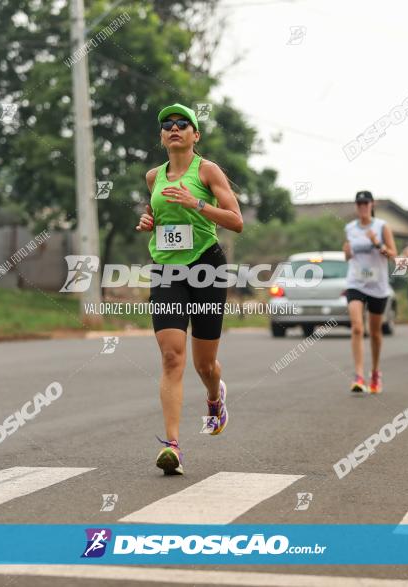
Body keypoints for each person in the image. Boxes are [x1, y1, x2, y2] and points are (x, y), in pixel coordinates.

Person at [135, 103, 244, 475]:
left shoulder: (208, 170)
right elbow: (161, 217)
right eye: (168, 124)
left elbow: (236, 220)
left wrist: (197, 203)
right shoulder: (153, 177)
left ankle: (215, 397)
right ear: (162, 136)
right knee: (171, 357)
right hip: (167, 269)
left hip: (207, 267)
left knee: (204, 364)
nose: (175, 128)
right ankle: (173, 446)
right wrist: (149, 221)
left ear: (196, 135)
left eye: (184, 124)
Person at [342, 190, 397, 394]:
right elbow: (348, 256)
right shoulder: (350, 228)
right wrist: (346, 253)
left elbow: (393, 255)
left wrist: (377, 243)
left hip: (378, 285)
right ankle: (358, 376)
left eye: (366, 203)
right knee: (357, 327)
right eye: (359, 204)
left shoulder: (382, 226)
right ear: (356, 206)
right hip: (356, 282)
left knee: (375, 332)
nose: (363, 207)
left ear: (372, 205)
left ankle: (375, 372)